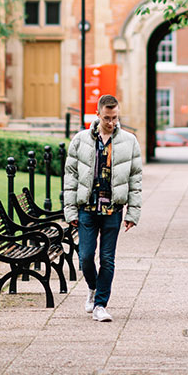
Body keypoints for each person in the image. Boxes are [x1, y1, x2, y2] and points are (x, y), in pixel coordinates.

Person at [64, 95, 143, 322]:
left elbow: (135, 179)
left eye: (115, 117)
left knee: (108, 259)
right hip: (87, 208)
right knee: (86, 257)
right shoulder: (80, 140)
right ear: (97, 115)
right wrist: (70, 211)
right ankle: (92, 287)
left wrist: (133, 213)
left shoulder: (129, 141)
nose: (111, 122)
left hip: (113, 209)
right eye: (107, 118)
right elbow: (70, 177)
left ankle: (100, 305)